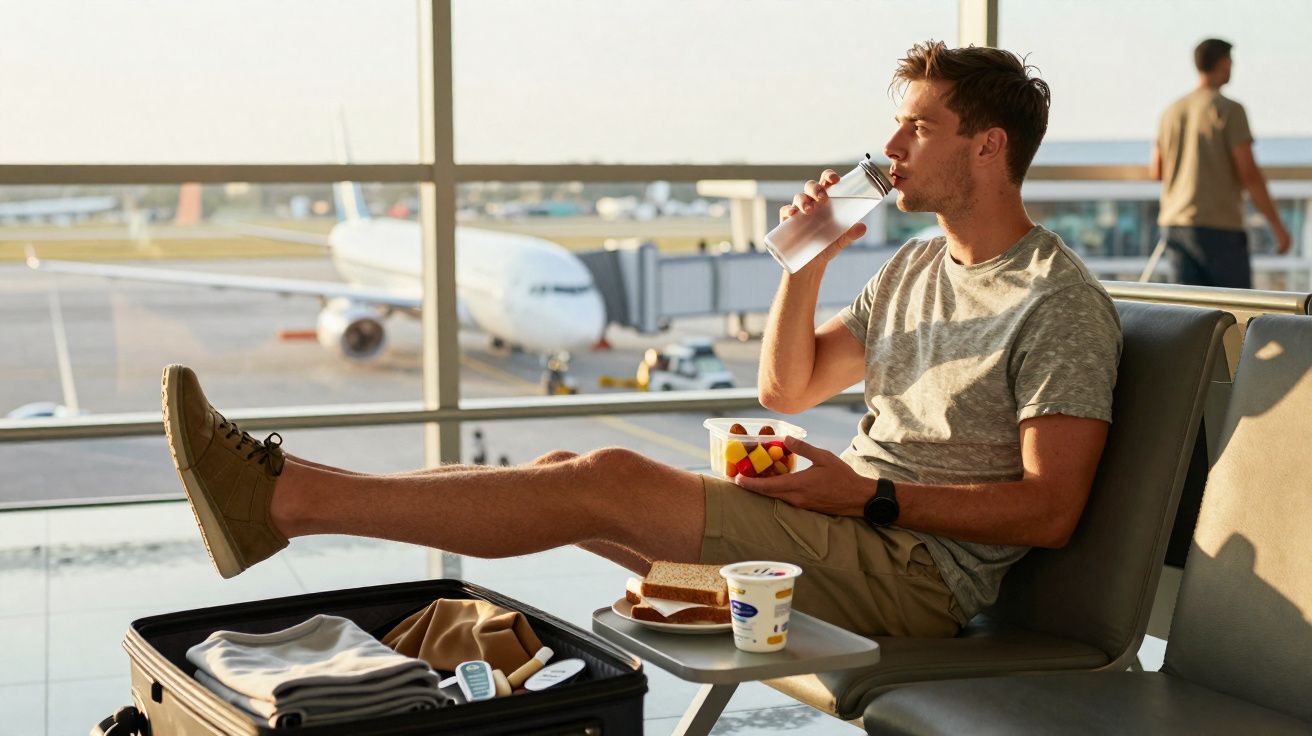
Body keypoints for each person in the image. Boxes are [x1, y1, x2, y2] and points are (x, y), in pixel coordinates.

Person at [160, 41, 1121, 640]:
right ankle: (288, 501)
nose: (892, 150)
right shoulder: (916, 267)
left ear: (988, 147)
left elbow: (1049, 513)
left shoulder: (1057, 301)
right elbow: (788, 391)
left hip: (912, 579)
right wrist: (804, 267)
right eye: (896, 128)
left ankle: (285, 498)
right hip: (842, 531)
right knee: (567, 473)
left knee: (607, 477)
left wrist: (864, 494)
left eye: (918, 128)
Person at [1151, 38, 1292, 288]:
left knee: (1187, 316)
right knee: (1234, 313)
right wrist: (1278, 227)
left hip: (1175, 225)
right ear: (1224, 63)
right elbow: (1248, 173)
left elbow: (1156, 172)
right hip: (1219, 228)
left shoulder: (1171, 111)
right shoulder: (1229, 110)